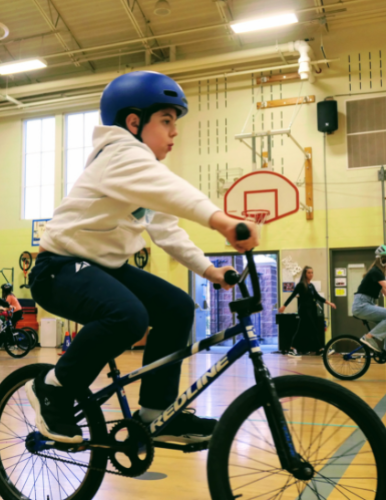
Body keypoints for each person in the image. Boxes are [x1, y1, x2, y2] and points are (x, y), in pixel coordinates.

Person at [24, 71, 260, 445]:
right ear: (133, 122)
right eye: (166, 120)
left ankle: (156, 411)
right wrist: (221, 220)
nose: (174, 132)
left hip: (105, 268)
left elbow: (167, 229)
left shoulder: (143, 173)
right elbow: (173, 190)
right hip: (58, 268)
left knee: (177, 307)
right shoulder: (119, 154)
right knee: (129, 316)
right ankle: (54, 386)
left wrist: (210, 270)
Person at [278, 266, 335, 356]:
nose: (311, 274)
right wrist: (284, 306)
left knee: (301, 330)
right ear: (305, 274)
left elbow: (317, 296)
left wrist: (329, 303)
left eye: (312, 272)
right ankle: (320, 350)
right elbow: (293, 295)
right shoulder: (301, 285)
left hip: (310, 310)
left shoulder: (311, 286)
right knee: (314, 329)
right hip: (304, 311)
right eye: (309, 273)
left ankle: (292, 349)